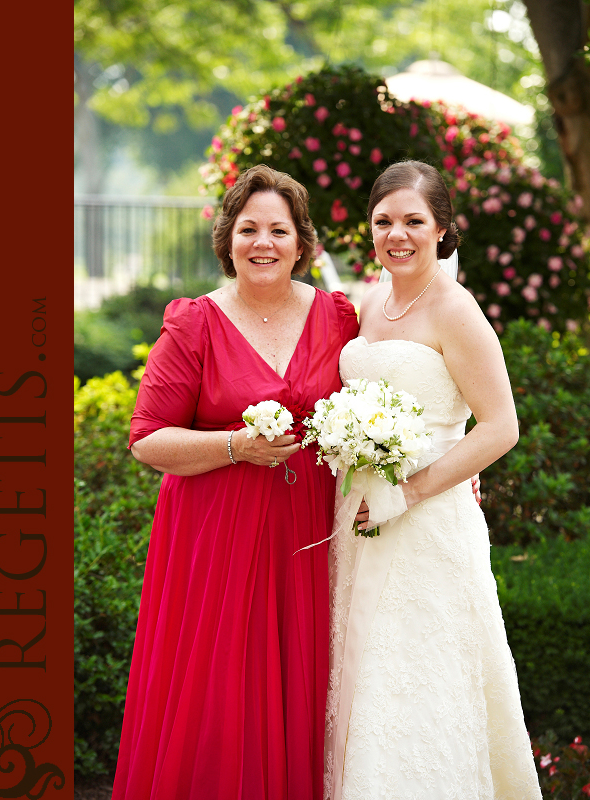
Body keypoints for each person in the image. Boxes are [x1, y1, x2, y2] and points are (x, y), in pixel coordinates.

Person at [111, 164, 359, 800]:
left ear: (302, 243)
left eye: (278, 230)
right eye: (249, 229)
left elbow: (382, 405)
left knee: (303, 688)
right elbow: (146, 437)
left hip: (308, 540)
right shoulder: (195, 323)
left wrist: (437, 468)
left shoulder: (338, 318)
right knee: (221, 696)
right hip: (216, 540)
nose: (263, 243)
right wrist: (234, 445)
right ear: (228, 240)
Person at [325, 161, 542, 800]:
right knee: (359, 674)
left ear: (441, 230)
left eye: (414, 221)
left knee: (416, 677)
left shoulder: (456, 309)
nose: (398, 234)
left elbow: (501, 426)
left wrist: (409, 493)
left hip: (426, 522)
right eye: (384, 220)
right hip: (357, 516)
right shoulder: (371, 299)